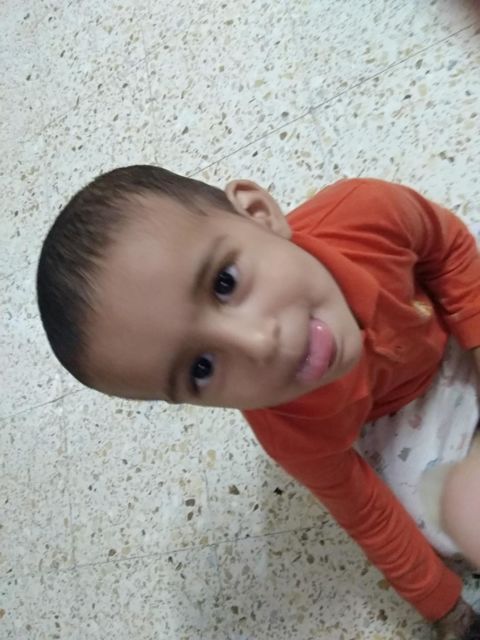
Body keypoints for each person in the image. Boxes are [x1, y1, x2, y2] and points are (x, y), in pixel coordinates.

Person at [36, 165, 480, 638]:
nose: (259, 344)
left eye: (224, 283)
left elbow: (449, 252)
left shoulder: (367, 212)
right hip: (396, 417)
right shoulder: (290, 429)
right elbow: (367, 513)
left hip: (449, 324)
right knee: (456, 515)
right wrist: (445, 608)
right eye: (201, 368)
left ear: (258, 212)